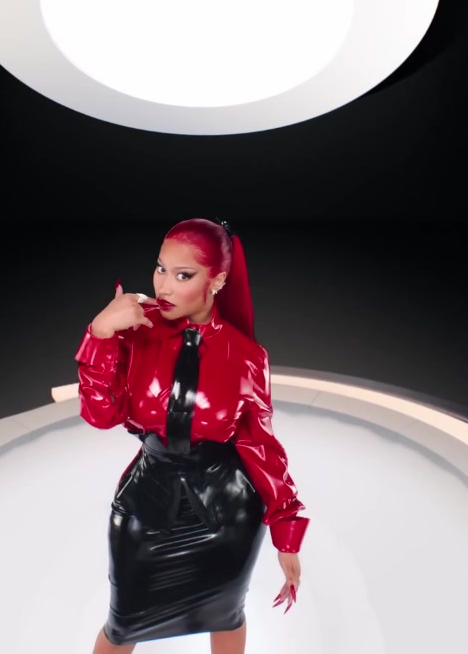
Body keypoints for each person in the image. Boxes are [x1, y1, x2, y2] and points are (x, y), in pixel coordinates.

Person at [75, 218, 309, 654]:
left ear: (216, 281)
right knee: (122, 626)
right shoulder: (134, 330)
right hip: (146, 503)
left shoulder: (247, 357)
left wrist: (286, 530)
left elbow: (260, 445)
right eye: (160, 269)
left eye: (183, 275)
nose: (163, 286)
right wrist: (100, 334)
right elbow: (100, 415)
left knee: (227, 614)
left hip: (228, 513)